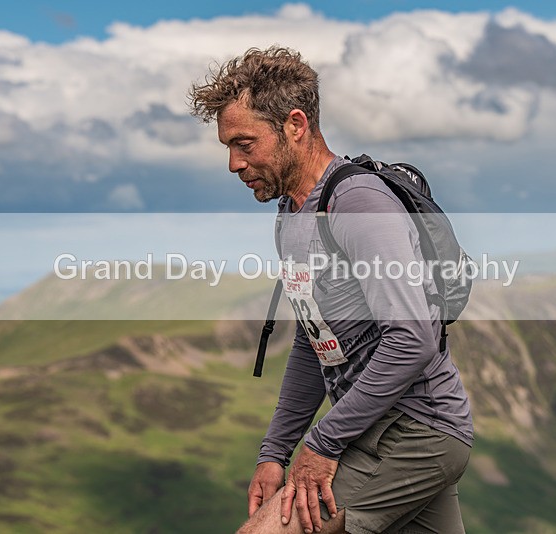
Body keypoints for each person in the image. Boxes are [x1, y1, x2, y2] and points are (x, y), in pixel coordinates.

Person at [189, 46, 473, 534]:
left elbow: (414, 338)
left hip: (412, 430)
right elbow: (316, 340)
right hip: (380, 426)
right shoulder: (293, 214)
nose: (234, 163)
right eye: (228, 147)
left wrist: (321, 443)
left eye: (245, 143)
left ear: (295, 125)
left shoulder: (358, 204)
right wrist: (275, 452)